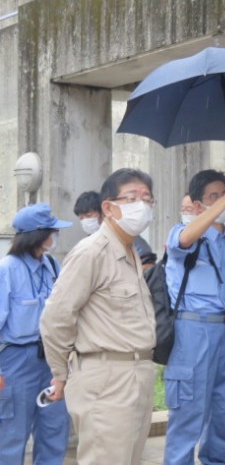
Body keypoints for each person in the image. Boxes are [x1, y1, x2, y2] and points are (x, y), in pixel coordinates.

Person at [40, 169, 157, 465]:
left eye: (147, 199)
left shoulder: (130, 251)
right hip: (107, 378)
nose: (141, 206)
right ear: (108, 207)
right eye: (131, 198)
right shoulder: (92, 252)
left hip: (138, 373)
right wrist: (60, 373)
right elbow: (56, 317)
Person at [162, 169, 225, 465]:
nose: (224, 201)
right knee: (188, 414)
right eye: (214, 196)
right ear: (198, 205)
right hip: (192, 330)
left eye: (224, 193)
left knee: (224, 411)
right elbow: (185, 239)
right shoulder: (184, 234)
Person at [0, 203, 71, 464]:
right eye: (52, 231)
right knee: (11, 434)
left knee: (54, 429)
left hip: (52, 360)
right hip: (16, 362)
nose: (55, 236)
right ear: (37, 235)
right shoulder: (7, 270)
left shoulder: (52, 265)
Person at [73, 190, 157, 270]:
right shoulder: (88, 243)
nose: (85, 221)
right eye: (81, 218)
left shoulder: (124, 235)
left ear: (104, 211)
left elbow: (147, 265)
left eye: (89, 215)